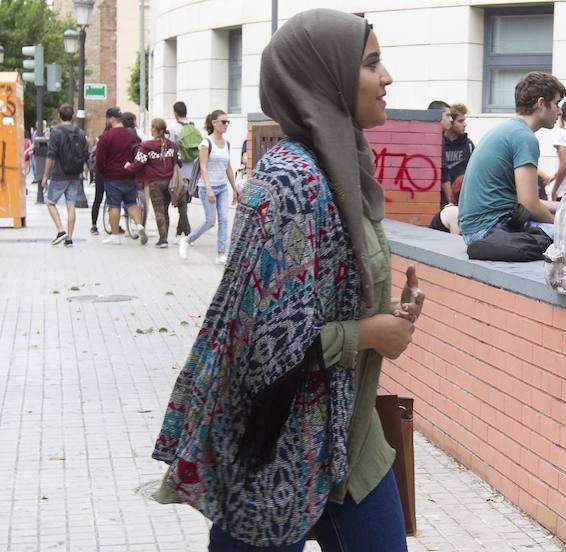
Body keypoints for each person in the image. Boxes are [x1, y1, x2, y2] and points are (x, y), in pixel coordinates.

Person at [152, 9, 425, 551]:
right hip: (279, 442)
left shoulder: (340, 166)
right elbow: (265, 344)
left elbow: (321, 299)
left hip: (347, 428)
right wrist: (370, 334)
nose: (387, 78)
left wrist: (386, 316)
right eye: (371, 63)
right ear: (324, 77)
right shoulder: (290, 182)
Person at [457, 71, 565, 245]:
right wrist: (562, 226)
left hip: (475, 230)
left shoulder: (508, 129)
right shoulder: (524, 137)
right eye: (557, 103)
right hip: (490, 231)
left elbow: (527, 202)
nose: (559, 111)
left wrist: (563, 207)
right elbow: (529, 205)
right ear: (541, 104)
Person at [177, 109, 240, 264]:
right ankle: (187, 240)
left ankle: (221, 254)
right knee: (210, 220)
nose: (226, 125)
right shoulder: (206, 143)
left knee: (224, 219)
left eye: (228, 122)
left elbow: (228, 168)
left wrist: (235, 189)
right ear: (214, 123)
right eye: (223, 122)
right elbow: (203, 167)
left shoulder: (227, 144)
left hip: (222, 187)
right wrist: (209, 188)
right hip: (207, 188)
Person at [125, 118, 180, 248]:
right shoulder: (172, 145)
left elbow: (139, 163)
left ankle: (163, 239)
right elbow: (179, 161)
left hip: (155, 182)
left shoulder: (146, 146)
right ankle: (165, 236)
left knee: (158, 210)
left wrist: (128, 167)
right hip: (169, 181)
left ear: (154, 129)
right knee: (165, 210)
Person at [95, 107, 146, 245]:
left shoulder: (106, 137)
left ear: (111, 119)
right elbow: (140, 153)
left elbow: (99, 159)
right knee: (131, 203)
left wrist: (103, 172)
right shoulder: (133, 136)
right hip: (130, 174)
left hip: (112, 176)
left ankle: (115, 235)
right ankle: (139, 225)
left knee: (114, 205)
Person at [40, 104, 87, 247]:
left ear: (59, 116)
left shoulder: (56, 132)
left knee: (50, 202)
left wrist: (45, 176)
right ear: (72, 116)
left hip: (60, 173)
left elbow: (51, 155)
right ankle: (69, 238)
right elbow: (85, 152)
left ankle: (61, 230)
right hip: (75, 173)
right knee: (71, 204)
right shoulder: (79, 132)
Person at [429, 103, 474, 234]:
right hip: (445, 200)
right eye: (461, 121)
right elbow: (443, 171)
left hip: (462, 198)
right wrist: (450, 200)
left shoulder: (469, 145)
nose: (464, 124)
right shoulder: (439, 141)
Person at [168, 101, 194, 237]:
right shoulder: (193, 126)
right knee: (184, 200)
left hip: (179, 168)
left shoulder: (173, 128)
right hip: (192, 168)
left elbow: (171, 147)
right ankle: (179, 231)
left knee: (181, 201)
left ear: (175, 113)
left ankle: (188, 231)